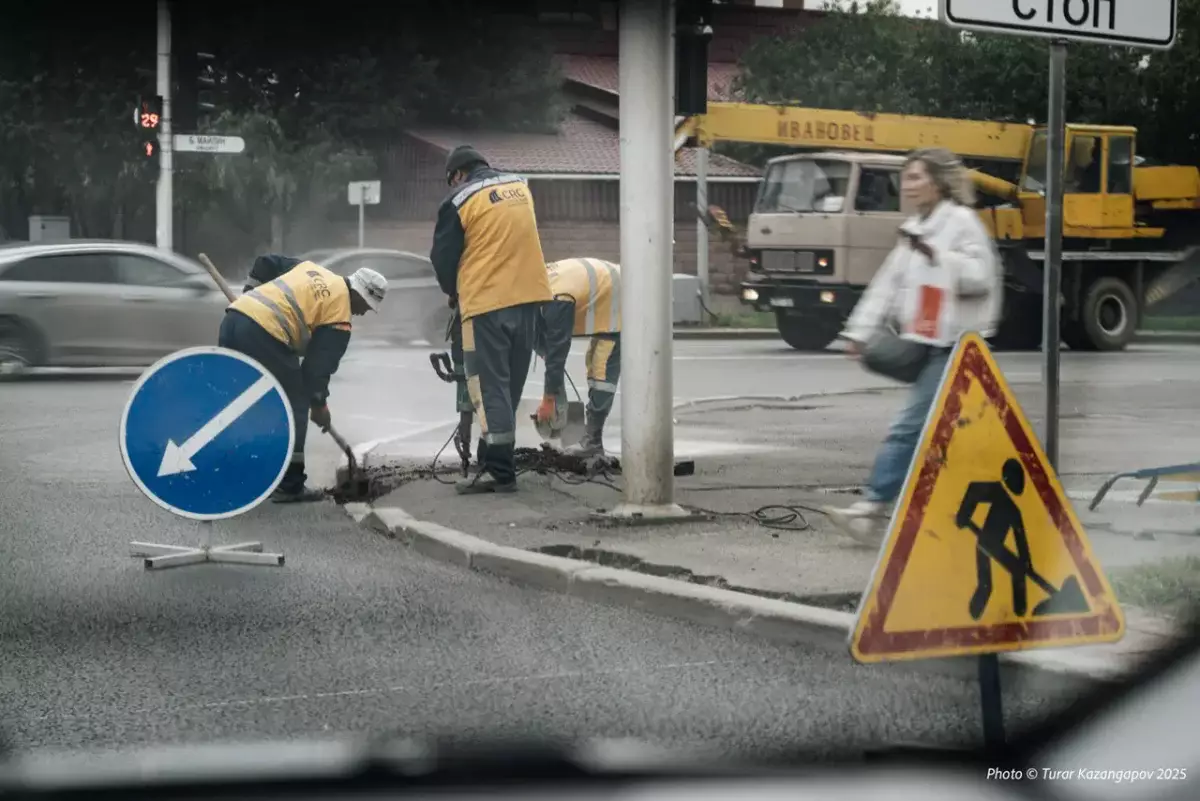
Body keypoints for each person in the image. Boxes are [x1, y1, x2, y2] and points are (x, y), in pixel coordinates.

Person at [823, 147, 1003, 545]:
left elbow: (982, 278)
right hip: (924, 340)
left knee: (908, 427)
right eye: (905, 178)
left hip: (957, 346)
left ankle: (870, 510)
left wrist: (941, 257)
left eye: (916, 177)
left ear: (938, 182)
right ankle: (961, 514)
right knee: (945, 432)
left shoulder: (961, 222)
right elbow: (887, 284)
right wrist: (859, 332)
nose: (907, 185)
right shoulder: (914, 228)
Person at [431, 145, 552, 495]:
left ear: (458, 174)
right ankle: (491, 457)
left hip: (486, 304)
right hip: (529, 299)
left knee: (487, 386)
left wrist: (452, 292)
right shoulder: (520, 187)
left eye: (452, 180)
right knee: (509, 386)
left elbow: (442, 259)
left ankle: (500, 472)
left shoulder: (458, 200)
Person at [219, 254, 389, 503]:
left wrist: (249, 296)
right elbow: (315, 371)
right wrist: (319, 406)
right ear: (358, 294)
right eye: (365, 305)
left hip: (233, 319)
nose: (363, 312)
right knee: (295, 403)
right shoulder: (340, 315)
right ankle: (290, 484)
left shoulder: (312, 270)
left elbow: (265, 262)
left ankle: (234, 470)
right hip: (265, 334)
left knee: (243, 402)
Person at [534, 258, 622, 459]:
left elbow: (557, 353)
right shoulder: (534, 288)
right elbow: (542, 345)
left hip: (619, 293)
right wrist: (556, 390)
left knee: (601, 367)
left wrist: (549, 398)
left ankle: (593, 441)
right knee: (593, 360)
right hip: (601, 288)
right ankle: (589, 439)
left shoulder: (557, 299)